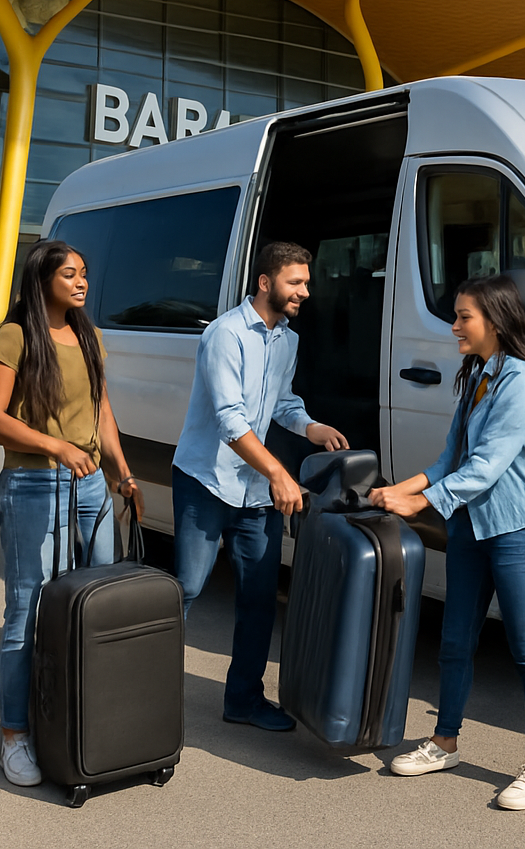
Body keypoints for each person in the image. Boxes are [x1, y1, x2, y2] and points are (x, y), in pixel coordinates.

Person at [370, 273, 525, 811]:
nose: (454, 326)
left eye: (463, 317)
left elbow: (486, 468)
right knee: (455, 643)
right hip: (471, 530)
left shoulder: (522, 381)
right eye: (456, 315)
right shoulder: (478, 375)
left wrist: (420, 504)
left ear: (496, 321)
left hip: (518, 530)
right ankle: (444, 740)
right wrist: (399, 488)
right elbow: (449, 461)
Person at [0, 239, 143, 786]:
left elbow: (100, 411)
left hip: (91, 484)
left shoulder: (87, 335)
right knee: (28, 607)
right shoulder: (15, 335)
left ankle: (82, 720)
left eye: (85, 273)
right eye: (69, 273)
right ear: (42, 277)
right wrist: (55, 447)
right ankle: (14, 735)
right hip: (31, 485)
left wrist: (121, 471)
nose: (81, 282)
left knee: (95, 604)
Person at [173, 241, 348, 732]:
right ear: (265, 283)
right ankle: (150, 690)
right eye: (296, 282)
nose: (305, 292)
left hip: (253, 491)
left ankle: (244, 700)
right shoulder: (225, 335)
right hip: (205, 482)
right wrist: (278, 472)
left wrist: (310, 427)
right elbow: (231, 420)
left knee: (257, 597)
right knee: (185, 590)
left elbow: (281, 402)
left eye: (306, 283)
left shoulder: (286, 340)